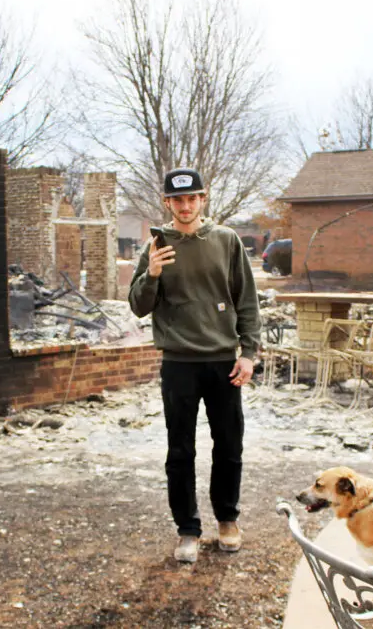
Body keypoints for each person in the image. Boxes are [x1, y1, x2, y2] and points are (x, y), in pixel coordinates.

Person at [128, 167, 261, 564]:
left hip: (223, 362)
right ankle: (187, 529)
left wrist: (249, 353)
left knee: (229, 446)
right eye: (177, 200)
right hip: (179, 364)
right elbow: (137, 306)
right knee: (180, 451)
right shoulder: (157, 244)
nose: (185, 207)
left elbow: (247, 301)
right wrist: (151, 274)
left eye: (192, 198)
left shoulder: (226, 241)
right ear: (167, 203)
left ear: (202, 200)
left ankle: (227, 521)